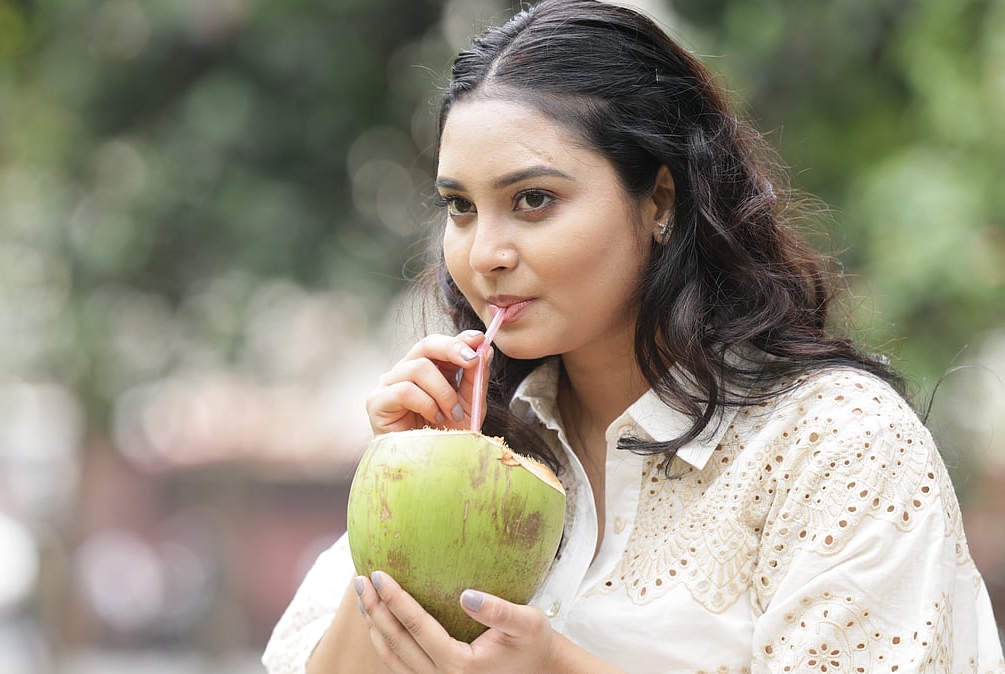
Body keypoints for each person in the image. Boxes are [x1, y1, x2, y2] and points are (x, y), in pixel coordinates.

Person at [262, 0, 1005, 671]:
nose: (483, 253)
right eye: (460, 207)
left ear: (659, 200)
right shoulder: (475, 440)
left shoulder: (835, 444)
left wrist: (555, 666)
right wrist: (397, 502)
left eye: (532, 200)